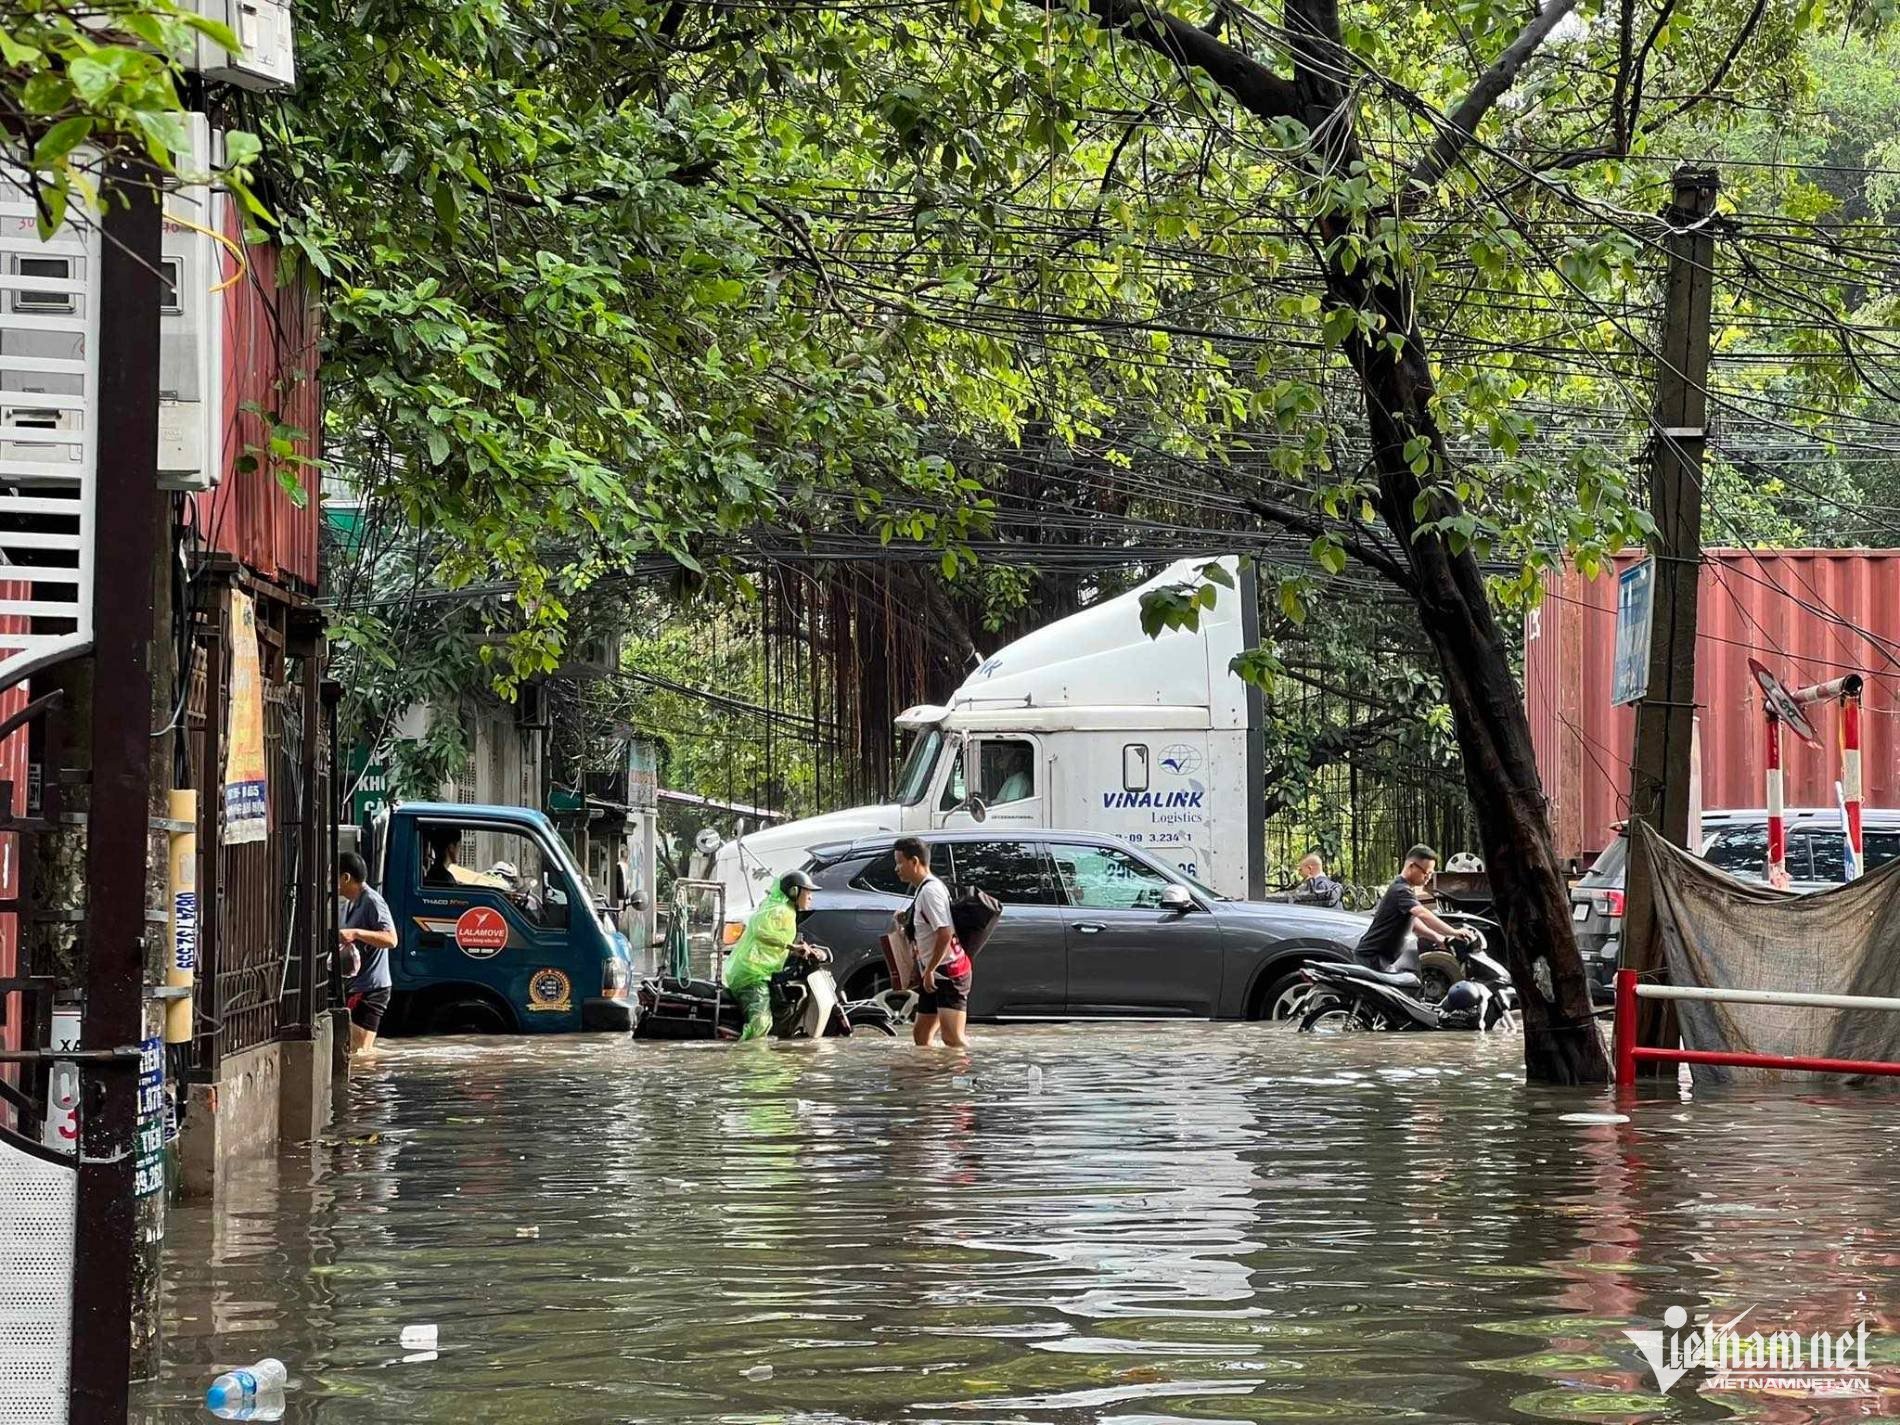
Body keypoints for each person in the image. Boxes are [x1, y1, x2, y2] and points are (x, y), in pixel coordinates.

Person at [723, 869, 823, 1041]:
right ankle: (749, 1060)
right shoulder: (779, 909)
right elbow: (760, 931)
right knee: (761, 1023)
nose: (810, 897)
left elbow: (777, 938)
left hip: (760, 972)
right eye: (807, 892)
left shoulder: (787, 911)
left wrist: (801, 947)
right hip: (751, 974)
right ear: (794, 892)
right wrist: (790, 946)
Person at [893, 836, 971, 1048]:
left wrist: (929, 970)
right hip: (933, 973)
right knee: (921, 1036)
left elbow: (944, 932)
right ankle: (931, 1078)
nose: (896, 868)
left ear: (914, 862)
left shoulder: (931, 891)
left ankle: (968, 1076)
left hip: (947, 973)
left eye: (900, 862)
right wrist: (905, 919)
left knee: (953, 1039)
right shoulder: (923, 888)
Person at [1354, 844, 1472, 970]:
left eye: (1431, 874)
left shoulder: (1403, 888)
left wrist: (1438, 938)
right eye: (1426, 873)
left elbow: (1413, 922)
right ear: (1412, 866)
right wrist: (1454, 932)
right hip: (1371, 959)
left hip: (1380, 959)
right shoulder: (1401, 890)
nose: (1428, 878)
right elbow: (1422, 913)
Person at [338, 852, 398, 1056]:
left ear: (346, 877)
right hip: (355, 985)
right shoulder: (347, 906)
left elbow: (391, 939)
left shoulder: (372, 901)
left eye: (332, 876)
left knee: (360, 1053)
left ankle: (371, 1087)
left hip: (373, 987)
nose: (329, 882)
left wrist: (356, 933)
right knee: (356, 1051)